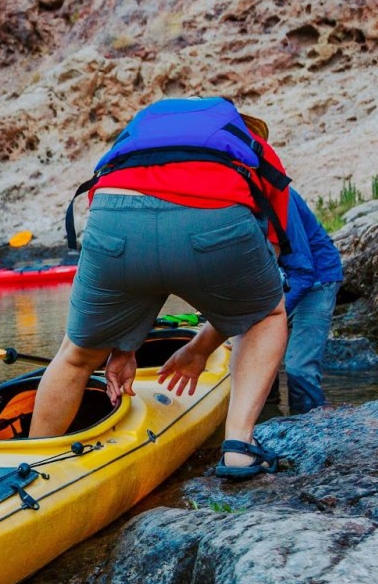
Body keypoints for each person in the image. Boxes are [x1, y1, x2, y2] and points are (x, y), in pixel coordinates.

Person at [29, 97, 291, 480]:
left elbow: (135, 237)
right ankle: (238, 447)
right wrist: (201, 348)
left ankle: (32, 464)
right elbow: (257, 284)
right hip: (212, 218)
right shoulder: (251, 145)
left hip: (114, 216)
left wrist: (123, 345)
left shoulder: (137, 139)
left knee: (75, 355)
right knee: (268, 313)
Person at [279, 190, 344, 413]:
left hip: (317, 281)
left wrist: (268, 313)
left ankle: (312, 430)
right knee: (259, 366)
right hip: (284, 282)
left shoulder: (278, 196)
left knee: (299, 369)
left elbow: (304, 271)